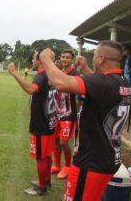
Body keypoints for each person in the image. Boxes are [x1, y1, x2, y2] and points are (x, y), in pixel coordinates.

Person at [39, 40, 131, 201]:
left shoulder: (103, 83)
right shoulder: (121, 81)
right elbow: (98, 84)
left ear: (101, 59)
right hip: (109, 157)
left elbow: (60, 83)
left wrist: (45, 58)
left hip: (91, 162)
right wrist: (86, 69)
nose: (93, 59)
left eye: (95, 56)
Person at [7, 47, 55, 196]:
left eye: (34, 58)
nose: (32, 61)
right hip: (50, 121)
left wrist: (14, 73)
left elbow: (31, 89)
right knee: (46, 155)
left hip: (41, 122)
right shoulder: (50, 75)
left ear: (40, 60)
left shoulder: (41, 76)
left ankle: (41, 187)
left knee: (41, 156)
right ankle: (46, 181)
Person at [50, 49, 79, 180]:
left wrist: (76, 109)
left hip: (68, 114)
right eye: (63, 57)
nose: (65, 59)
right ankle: (57, 165)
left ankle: (67, 166)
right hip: (57, 113)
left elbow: (79, 94)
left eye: (67, 57)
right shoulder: (59, 73)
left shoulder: (75, 73)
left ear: (72, 59)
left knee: (63, 142)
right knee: (55, 141)